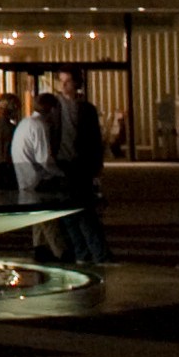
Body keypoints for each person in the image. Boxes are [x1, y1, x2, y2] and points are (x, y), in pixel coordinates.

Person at [54, 67, 114, 264]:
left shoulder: (86, 108)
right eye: (61, 81)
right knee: (71, 214)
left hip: (80, 165)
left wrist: (96, 165)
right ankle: (85, 252)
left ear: (76, 83)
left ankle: (97, 253)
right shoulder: (55, 107)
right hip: (62, 165)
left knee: (84, 212)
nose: (63, 86)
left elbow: (94, 139)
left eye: (67, 81)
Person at [13, 91, 69, 259]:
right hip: (37, 178)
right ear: (51, 109)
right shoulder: (39, 126)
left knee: (37, 216)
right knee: (48, 216)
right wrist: (61, 174)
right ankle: (61, 251)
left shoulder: (25, 123)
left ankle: (40, 247)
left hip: (24, 176)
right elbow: (44, 158)